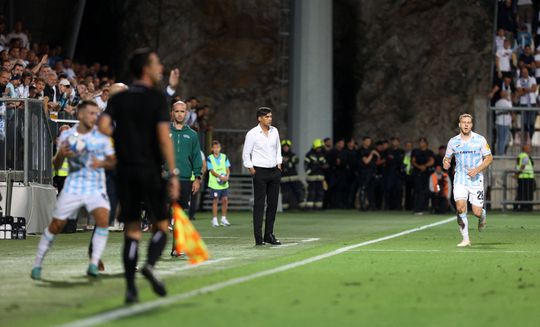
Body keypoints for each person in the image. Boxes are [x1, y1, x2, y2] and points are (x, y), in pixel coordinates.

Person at [98, 48, 180, 304]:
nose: (161, 68)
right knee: (162, 225)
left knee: (131, 230)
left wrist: (119, 144)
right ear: (146, 68)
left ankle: (131, 289)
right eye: (156, 64)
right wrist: (174, 173)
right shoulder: (156, 98)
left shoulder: (119, 98)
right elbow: (163, 138)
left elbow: (102, 126)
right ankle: (150, 265)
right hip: (149, 170)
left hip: (125, 170)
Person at [30, 100, 116, 280]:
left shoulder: (102, 136)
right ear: (80, 115)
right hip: (74, 186)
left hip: (95, 186)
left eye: (96, 114)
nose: (95, 117)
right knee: (56, 226)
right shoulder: (67, 136)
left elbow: (113, 160)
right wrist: (62, 153)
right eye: (91, 113)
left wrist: (101, 163)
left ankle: (93, 263)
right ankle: (37, 263)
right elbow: (56, 164)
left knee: (102, 219)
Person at [443, 114, 493, 247]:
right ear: (459, 124)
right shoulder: (453, 141)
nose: (466, 124)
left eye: (469, 122)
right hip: (460, 179)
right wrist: (446, 163)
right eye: (463, 122)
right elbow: (446, 158)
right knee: (460, 208)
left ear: (471, 125)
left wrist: (477, 169)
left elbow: (489, 158)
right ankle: (466, 239)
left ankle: (482, 215)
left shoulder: (480, 140)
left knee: (476, 211)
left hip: (476, 180)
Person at [242, 107, 282, 246]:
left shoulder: (274, 131)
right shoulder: (252, 133)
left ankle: (269, 235)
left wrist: (279, 163)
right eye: (267, 117)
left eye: (271, 116)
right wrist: (251, 168)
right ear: (259, 118)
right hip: (260, 172)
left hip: (274, 171)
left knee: (273, 204)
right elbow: (246, 153)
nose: (270, 119)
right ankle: (258, 238)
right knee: (259, 205)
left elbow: (278, 149)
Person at [169, 100, 202, 255]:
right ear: (172, 113)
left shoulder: (192, 135)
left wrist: (197, 178)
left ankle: (177, 246)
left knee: (180, 215)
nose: (179, 114)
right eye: (177, 111)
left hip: (184, 180)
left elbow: (196, 158)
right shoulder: (163, 132)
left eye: (182, 111)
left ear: (186, 113)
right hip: (166, 179)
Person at [207, 140, 231, 227]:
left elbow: (227, 168)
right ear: (212, 149)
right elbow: (211, 170)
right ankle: (214, 219)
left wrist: (227, 176)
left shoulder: (224, 157)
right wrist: (220, 176)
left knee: (225, 200)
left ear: (220, 148)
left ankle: (223, 219)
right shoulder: (210, 158)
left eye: (218, 148)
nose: (216, 149)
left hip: (224, 183)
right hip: (215, 184)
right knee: (215, 201)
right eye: (214, 148)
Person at [280, 139, 306, 210]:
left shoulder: (292, 155)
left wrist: (288, 163)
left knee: (298, 191)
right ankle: (285, 208)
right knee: (285, 193)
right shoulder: (278, 155)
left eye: (287, 147)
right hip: (284, 178)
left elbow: (296, 160)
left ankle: (302, 206)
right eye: (284, 147)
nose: (286, 148)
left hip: (293, 177)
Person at [412, 137, 435, 215]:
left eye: (423, 142)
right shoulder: (415, 151)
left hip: (426, 174)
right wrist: (419, 167)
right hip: (417, 173)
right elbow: (413, 161)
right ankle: (416, 208)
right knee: (417, 191)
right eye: (420, 142)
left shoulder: (429, 152)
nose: (421, 143)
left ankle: (423, 208)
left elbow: (432, 161)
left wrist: (425, 166)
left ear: (426, 143)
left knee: (425, 191)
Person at [304, 139, 328, 210]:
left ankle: (318, 207)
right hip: (312, 177)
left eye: (320, 148)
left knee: (320, 192)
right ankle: (309, 207)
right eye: (318, 148)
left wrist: (323, 165)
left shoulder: (321, 155)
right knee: (311, 192)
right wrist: (313, 168)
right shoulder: (309, 155)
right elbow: (306, 166)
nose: (319, 149)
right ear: (315, 147)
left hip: (320, 177)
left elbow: (325, 164)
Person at [515, 144, 535, 211]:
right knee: (528, 194)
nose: (530, 149)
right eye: (528, 148)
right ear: (525, 149)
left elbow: (518, 166)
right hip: (527, 178)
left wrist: (517, 174)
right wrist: (517, 174)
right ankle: (527, 207)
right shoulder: (525, 156)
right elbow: (523, 166)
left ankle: (521, 207)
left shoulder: (520, 156)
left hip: (522, 178)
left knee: (521, 193)